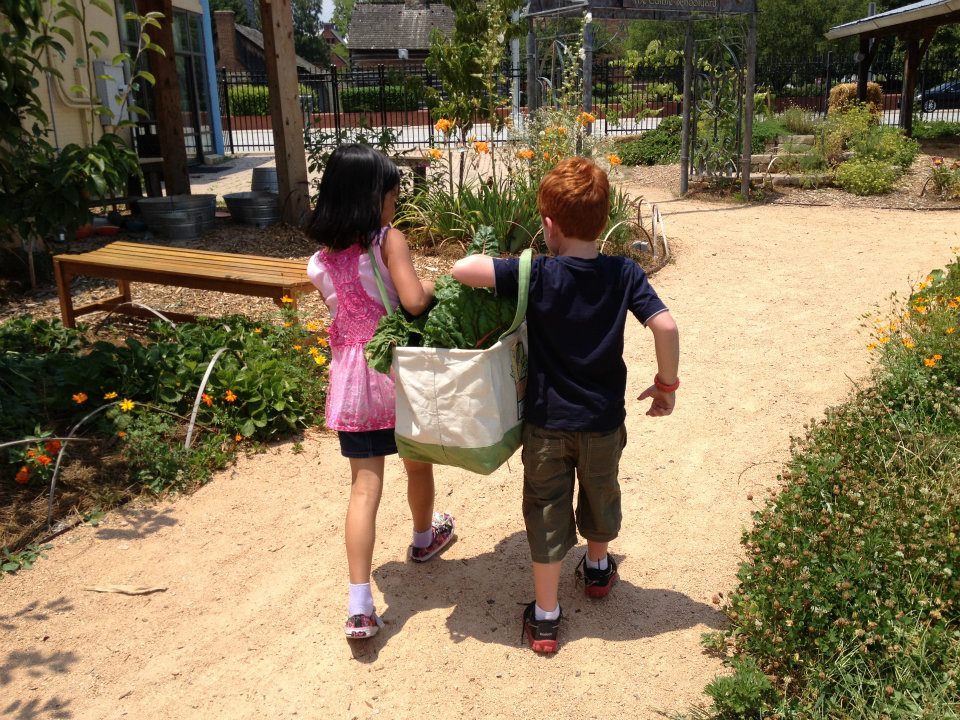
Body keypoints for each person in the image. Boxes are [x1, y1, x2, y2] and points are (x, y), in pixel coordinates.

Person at [451, 156, 680, 654]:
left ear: (550, 226)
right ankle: (598, 570)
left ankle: (548, 616)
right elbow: (665, 325)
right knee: (601, 492)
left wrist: (521, 260)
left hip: (547, 423)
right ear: (604, 220)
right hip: (602, 420)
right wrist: (666, 384)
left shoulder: (538, 274)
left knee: (546, 511)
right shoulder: (623, 272)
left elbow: (461, 269)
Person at [306, 144, 455, 639]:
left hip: (353, 382)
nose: (394, 203)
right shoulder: (388, 240)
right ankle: (422, 538)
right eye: (391, 194)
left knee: (363, 489)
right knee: (418, 463)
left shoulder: (318, 262)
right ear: (374, 198)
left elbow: (343, 314)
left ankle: (360, 604)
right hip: (396, 376)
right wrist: (432, 285)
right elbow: (412, 302)